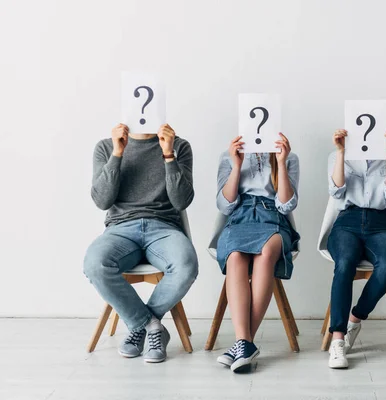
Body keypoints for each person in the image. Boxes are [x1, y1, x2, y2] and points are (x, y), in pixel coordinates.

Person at [84, 123, 198, 363]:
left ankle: (138, 327)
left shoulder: (179, 145)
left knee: (186, 264)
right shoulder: (105, 146)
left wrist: (168, 155)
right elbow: (102, 200)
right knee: (95, 264)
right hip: (121, 229)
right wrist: (117, 154)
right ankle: (150, 326)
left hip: (164, 227)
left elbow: (181, 201)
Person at [215, 133, 300, 373]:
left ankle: (242, 344)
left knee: (265, 254)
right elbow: (225, 205)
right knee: (235, 256)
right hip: (239, 218)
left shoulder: (289, 157)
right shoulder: (228, 156)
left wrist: (281, 163)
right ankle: (245, 343)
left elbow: (287, 205)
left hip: (273, 218)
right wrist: (237, 164)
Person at [326, 128, 386, 369]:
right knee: (345, 263)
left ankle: (355, 319)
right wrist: (341, 152)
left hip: (380, 222)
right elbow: (336, 191)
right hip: (347, 221)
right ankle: (337, 339)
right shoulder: (338, 155)